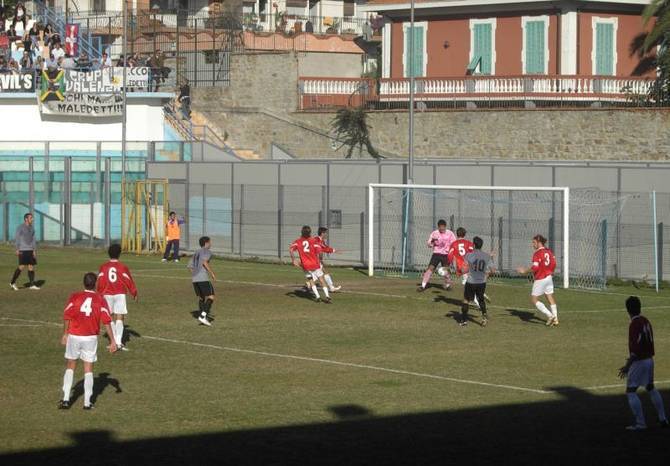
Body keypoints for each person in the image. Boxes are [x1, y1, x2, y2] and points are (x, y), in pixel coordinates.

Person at [59, 272, 117, 410]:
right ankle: (87, 403)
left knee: (71, 365)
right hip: (90, 338)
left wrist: (65, 334)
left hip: (74, 336)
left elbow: (67, 315)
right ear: (95, 284)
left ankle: (66, 399)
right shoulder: (100, 299)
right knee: (88, 368)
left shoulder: (75, 296)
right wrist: (113, 341)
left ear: (83, 283)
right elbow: (107, 321)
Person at [618, 296, 668, 431]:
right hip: (649, 360)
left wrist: (627, 366)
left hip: (639, 361)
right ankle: (663, 418)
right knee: (651, 388)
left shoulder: (634, 324)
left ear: (627, 310)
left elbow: (635, 348)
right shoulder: (646, 320)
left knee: (631, 391)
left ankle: (640, 423)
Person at [97, 244, 138, 351]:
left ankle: (113, 342)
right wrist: (134, 292)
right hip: (120, 293)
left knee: (109, 317)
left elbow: (100, 280)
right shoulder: (122, 267)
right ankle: (119, 343)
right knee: (119, 317)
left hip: (107, 294)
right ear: (119, 254)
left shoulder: (103, 267)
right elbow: (128, 280)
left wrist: (99, 293)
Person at [516, 234, 558, 327]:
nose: (533, 245)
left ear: (539, 242)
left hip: (541, 278)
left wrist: (524, 271)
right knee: (549, 296)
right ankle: (556, 319)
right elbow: (554, 263)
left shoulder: (537, 254)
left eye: (534, 242)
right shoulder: (549, 251)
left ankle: (550, 316)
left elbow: (535, 267)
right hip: (549, 277)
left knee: (534, 299)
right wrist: (551, 271)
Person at [289, 226, 332, 303]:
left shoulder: (298, 241)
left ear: (302, 232)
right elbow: (319, 251)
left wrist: (293, 260)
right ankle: (327, 296)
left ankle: (318, 296)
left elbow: (291, 249)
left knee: (310, 280)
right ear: (310, 233)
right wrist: (321, 260)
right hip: (315, 264)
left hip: (305, 265)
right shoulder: (313, 241)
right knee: (321, 279)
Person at [459, 237, 494, 327]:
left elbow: (463, 269)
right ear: (481, 245)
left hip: (471, 281)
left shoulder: (469, 255)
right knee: (481, 299)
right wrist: (487, 274)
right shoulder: (487, 256)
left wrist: (462, 270)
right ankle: (484, 317)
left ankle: (464, 321)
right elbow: (493, 270)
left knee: (466, 300)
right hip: (482, 282)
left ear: (474, 245)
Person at [418, 219, 456, 292]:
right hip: (436, 254)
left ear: (445, 226)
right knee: (430, 268)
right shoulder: (434, 233)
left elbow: (454, 243)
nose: (442, 228)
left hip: (446, 254)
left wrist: (451, 252)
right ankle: (423, 286)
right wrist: (432, 242)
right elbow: (429, 244)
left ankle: (447, 285)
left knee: (446, 270)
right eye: (440, 227)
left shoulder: (450, 233)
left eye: (443, 227)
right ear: (438, 227)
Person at [188, 236, 217, 327]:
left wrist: (195, 275)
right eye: (210, 242)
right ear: (206, 243)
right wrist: (212, 273)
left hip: (195, 279)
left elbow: (189, 266)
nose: (211, 244)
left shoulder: (196, 252)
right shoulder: (207, 252)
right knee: (211, 296)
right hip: (203, 278)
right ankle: (203, 316)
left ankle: (202, 314)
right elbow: (205, 262)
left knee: (201, 297)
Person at [10, 213, 39, 290]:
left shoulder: (32, 228)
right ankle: (12, 283)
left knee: (31, 266)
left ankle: (32, 285)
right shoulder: (20, 227)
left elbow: (33, 239)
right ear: (26, 219)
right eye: (30, 218)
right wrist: (17, 249)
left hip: (30, 250)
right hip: (23, 250)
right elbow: (17, 238)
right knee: (21, 266)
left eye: (32, 218)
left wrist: (34, 250)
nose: (32, 219)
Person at [314, 227, 341, 292]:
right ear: (322, 233)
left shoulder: (320, 240)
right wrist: (334, 251)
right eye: (326, 233)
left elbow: (325, 248)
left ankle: (331, 287)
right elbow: (323, 249)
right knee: (319, 274)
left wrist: (334, 250)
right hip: (314, 260)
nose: (327, 235)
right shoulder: (316, 240)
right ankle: (308, 285)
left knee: (323, 272)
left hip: (316, 260)